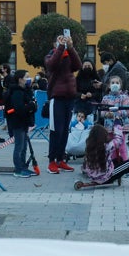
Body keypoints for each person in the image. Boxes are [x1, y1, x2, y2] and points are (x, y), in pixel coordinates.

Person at [44, 32, 82, 174]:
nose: (63, 43)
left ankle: (61, 159)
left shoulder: (68, 58)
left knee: (65, 130)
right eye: (59, 41)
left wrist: (71, 48)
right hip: (57, 98)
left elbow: (78, 65)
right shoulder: (49, 57)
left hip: (69, 97)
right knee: (56, 130)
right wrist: (60, 48)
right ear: (55, 44)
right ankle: (52, 160)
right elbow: (51, 65)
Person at [81, 123, 129, 187]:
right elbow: (119, 140)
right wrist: (117, 128)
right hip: (105, 177)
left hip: (94, 175)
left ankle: (120, 174)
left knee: (119, 159)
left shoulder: (89, 146)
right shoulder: (106, 146)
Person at [99, 51, 129, 146]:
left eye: (105, 63)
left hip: (125, 97)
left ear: (110, 60)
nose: (104, 65)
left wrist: (102, 86)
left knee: (128, 116)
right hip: (124, 96)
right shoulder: (114, 68)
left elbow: (118, 85)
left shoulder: (118, 69)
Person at [4, 70, 37, 177]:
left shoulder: (25, 90)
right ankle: (18, 169)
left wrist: (32, 106)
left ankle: (23, 167)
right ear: (20, 79)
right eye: (27, 77)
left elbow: (29, 104)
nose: (29, 79)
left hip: (24, 122)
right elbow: (19, 109)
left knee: (24, 146)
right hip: (17, 122)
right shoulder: (17, 92)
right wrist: (30, 106)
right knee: (19, 146)